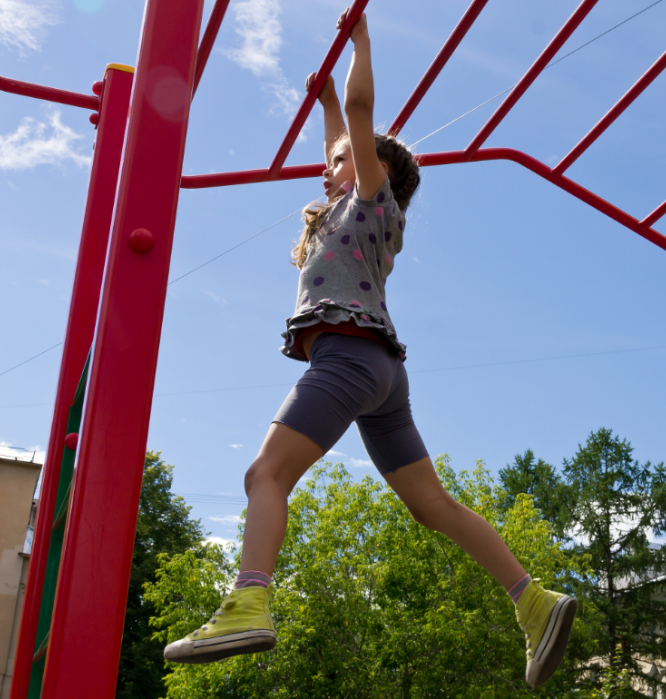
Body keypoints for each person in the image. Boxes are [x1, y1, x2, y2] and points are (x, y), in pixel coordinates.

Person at [163, 8, 575, 689]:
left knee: (264, 475)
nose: (329, 166)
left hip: (350, 360)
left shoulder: (375, 204)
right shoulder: (342, 205)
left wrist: (359, 44)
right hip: (382, 373)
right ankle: (532, 600)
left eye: (344, 157)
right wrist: (325, 102)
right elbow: (342, 130)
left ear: (375, 169)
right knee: (431, 505)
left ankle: (248, 599)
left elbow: (360, 114)